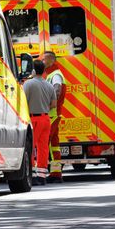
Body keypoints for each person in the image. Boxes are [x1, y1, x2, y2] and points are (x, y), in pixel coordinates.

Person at [23, 59, 56, 186]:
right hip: (46, 118)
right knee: (43, 147)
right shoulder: (49, 85)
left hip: (33, 119)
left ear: (33, 70)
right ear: (43, 71)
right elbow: (53, 104)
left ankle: (31, 173)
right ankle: (42, 176)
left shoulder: (28, 84)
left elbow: (23, 101)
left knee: (31, 147)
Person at [42, 50, 66, 183]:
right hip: (54, 114)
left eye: (44, 59)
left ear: (51, 60)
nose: (42, 61)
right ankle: (56, 173)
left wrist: (48, 105)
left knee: (45, 143)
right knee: (54, 144)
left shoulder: (56, 75)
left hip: (52, 114)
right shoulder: (53, 74)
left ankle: (43, 172)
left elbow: (57, 90)